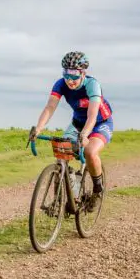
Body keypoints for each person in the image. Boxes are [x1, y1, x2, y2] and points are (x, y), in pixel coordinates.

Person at [29, 51, 113, 211]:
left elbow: (92, 115)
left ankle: (97, 190)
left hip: (100, 123)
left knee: (89, 152)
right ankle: (61, 199)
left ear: (83, 73)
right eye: (66, 74)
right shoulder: (60, 84)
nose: (70, 80)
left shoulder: (92, 85)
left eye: (74, 75)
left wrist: (85, 135)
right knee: (62, 155)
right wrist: (38, 128)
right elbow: (50, 107)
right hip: (77, 123)